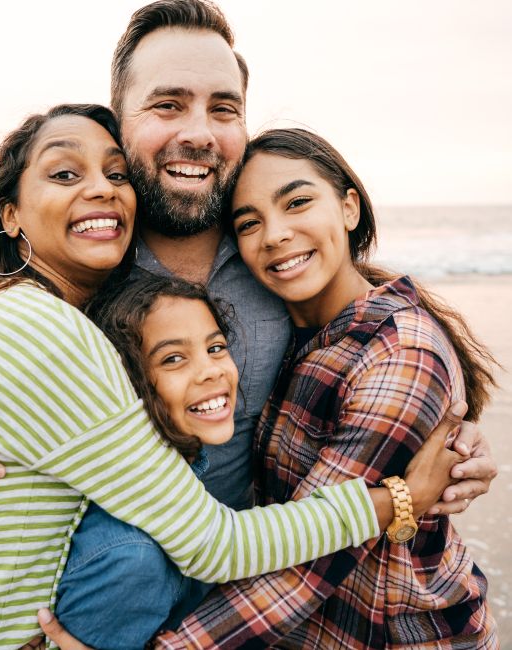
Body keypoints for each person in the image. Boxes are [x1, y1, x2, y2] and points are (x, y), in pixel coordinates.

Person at [0, 103, 461, 650]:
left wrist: (433, 390)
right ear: (10, 215)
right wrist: (399, 500)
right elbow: (215, 543)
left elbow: (346, 312)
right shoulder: (45, 330)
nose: (100, 188)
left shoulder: (33, 309)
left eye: (115, 175)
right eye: (65, 175)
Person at [0, 1, 496, 522]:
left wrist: (448, 430)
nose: (199, 132)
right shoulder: (89, 250)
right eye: (168, 105)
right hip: (105, 596)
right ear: (118, 122)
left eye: (223, 109)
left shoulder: (270, 248)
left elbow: (365, 334)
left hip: (248, 592)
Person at [148, 128, 498, 647]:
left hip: (397, 633)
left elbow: (310, 563)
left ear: (349, 208)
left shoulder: (402, 352)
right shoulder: (272, 331)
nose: (275, 234)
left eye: (298, 202)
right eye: (250, 223)